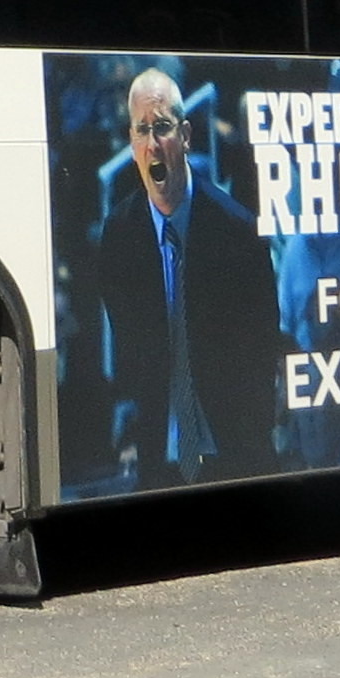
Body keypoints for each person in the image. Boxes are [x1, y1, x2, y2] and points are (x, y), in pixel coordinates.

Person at [91, 68, 282, 487]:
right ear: (132, 142)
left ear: (187, 135)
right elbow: (131, 345)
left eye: (163, 127)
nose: (154, 143)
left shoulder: (237, 231)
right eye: (143, 130)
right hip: (161, 458)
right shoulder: (119, 235)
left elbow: (262, 346)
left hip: (235, 452)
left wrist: (254, 431)